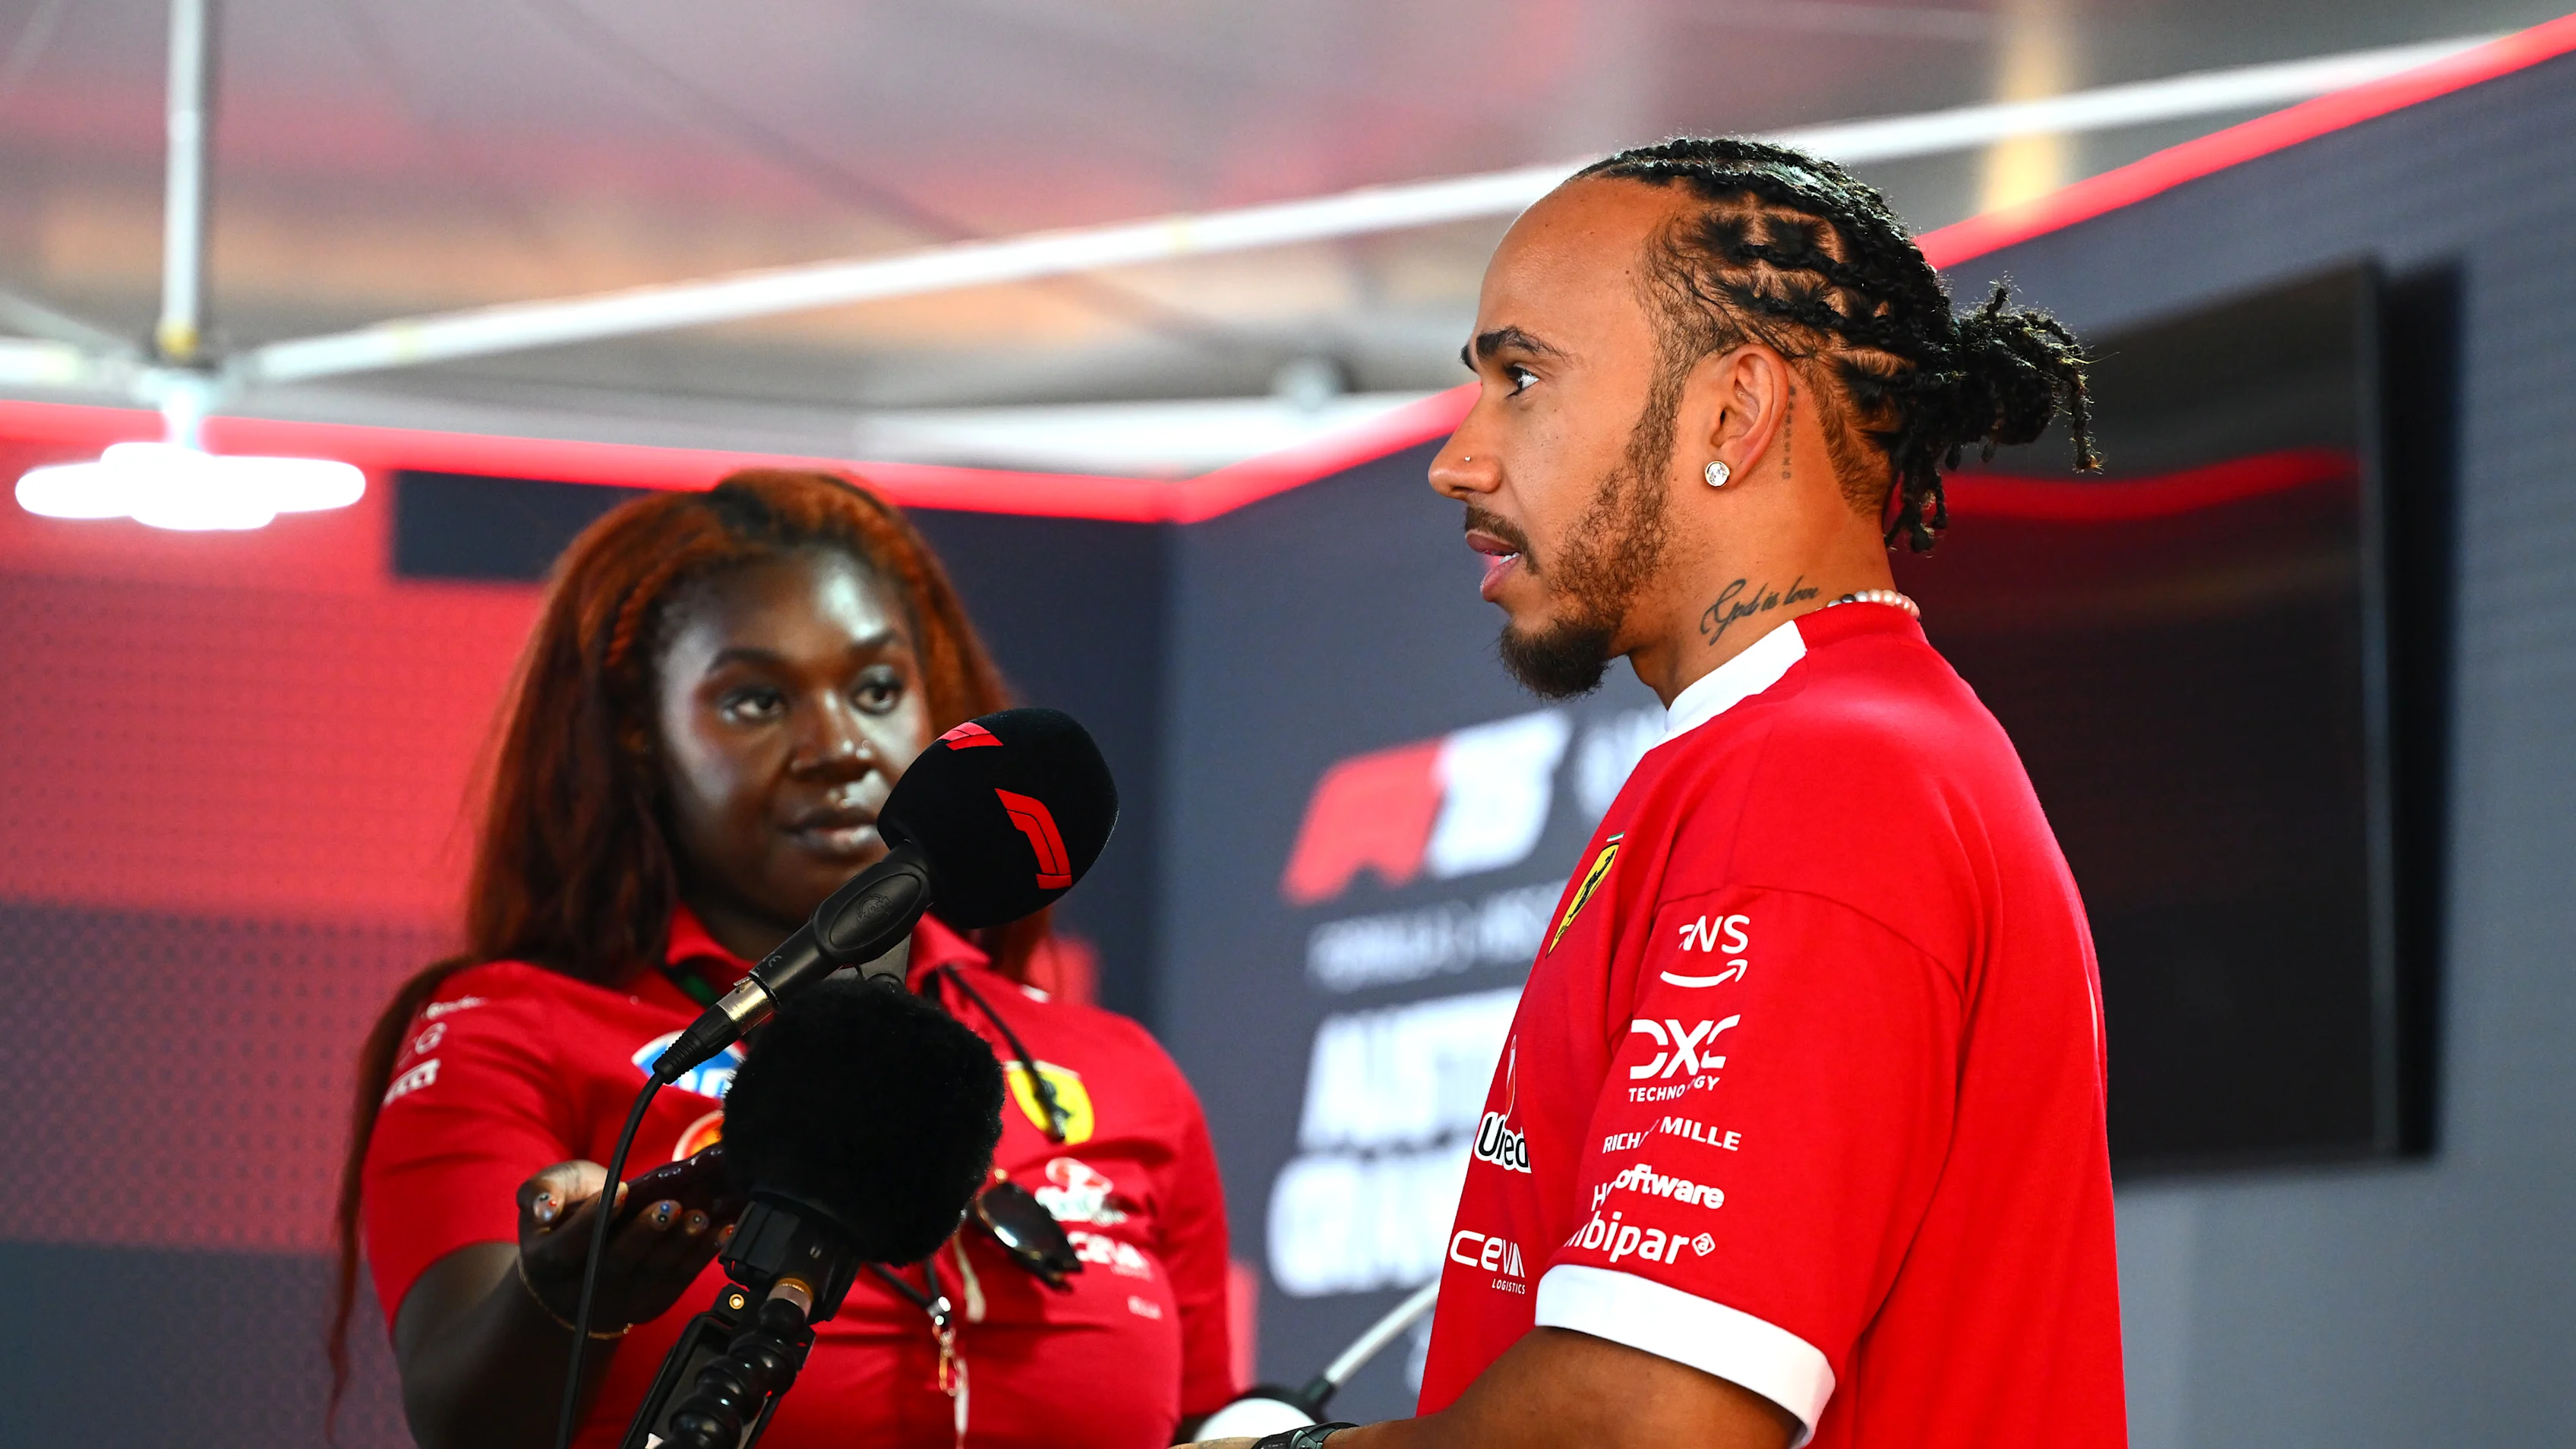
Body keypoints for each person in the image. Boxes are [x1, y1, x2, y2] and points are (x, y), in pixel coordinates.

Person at [1193, 138, 2125, 1449]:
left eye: (1523, 379)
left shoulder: (1819, 775)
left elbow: (1640, 1427)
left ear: (1732, 414)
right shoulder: (1821, 750)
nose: (1457, 459)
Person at [330, 469, 1238, 1449]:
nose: (840, 745)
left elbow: (1205, 1426)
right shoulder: (511, 1030)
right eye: (758, 701)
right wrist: (568, 1296)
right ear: (643, 740)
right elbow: (460, 1420)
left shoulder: (1122, 1072)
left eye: (878, 688)